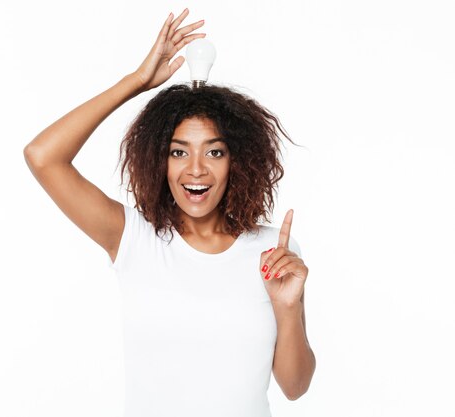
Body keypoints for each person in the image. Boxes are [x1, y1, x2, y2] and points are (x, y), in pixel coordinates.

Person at [24, 8, 315, 417]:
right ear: (159, 160)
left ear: (238, 161)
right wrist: (135, 83)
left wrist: (289, 307)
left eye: (214, 151)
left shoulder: (272, 250)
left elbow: (296, 387)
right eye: (179, 151)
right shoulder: (134, 238)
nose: (196, 169)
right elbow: (42, 156)